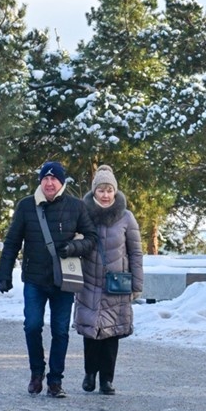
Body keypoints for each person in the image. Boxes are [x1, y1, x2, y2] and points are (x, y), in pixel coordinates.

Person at [0, 161, 98, 398]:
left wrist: (73, 247)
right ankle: (36, 373)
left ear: (61, 182)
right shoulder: (26, 206)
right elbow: (12, 242)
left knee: (60, 331)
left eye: (54, 179)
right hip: (34, 279)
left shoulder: (76, 206)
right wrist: (3, 274)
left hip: (64, 280)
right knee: (32, 326)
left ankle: (55, 380)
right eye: (45, 179)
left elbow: (92, 238)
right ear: (40, 181)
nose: (49, 183)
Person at [74, 165, 144, 396]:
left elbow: (135, 252)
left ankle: (107, 379)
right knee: (91, 332)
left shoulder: (126, 217)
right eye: (101, 190)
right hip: (89, 282)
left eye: (109, 190)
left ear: (115, 191)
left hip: (116, 283)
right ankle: (89, 373)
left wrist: (137, 284)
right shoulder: (82, 213)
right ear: (94, 191)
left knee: (112, 333)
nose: (105, 195)